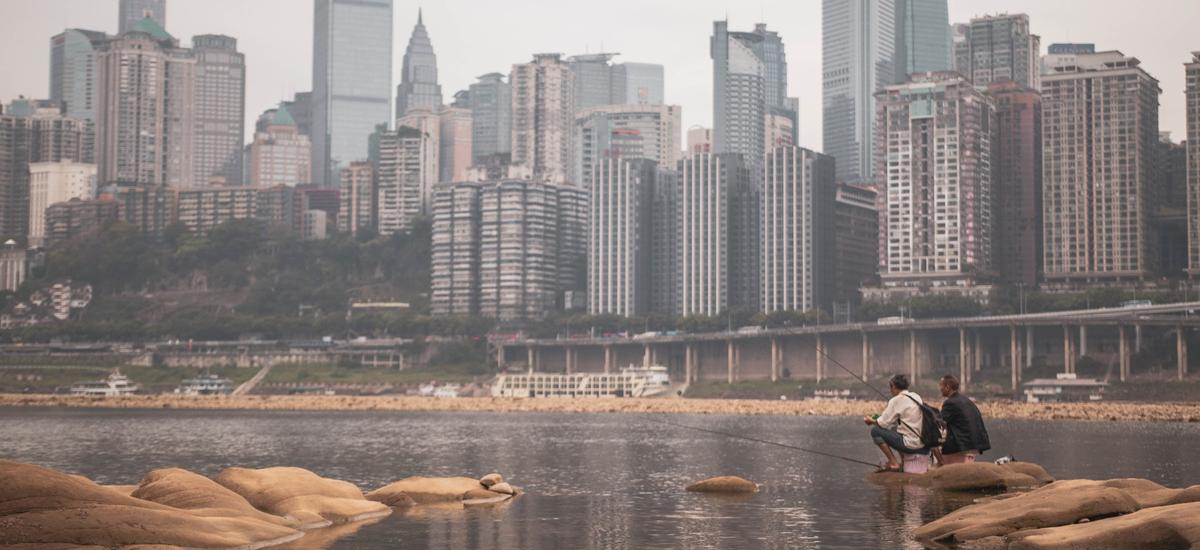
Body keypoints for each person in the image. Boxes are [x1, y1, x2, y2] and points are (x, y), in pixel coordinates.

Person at [864, 374, 926, 472]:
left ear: (893, 386)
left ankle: (893, 462)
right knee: (894, 429)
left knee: (875, 431)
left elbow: (882, 424)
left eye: (890, 387)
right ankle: (904, 462)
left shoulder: (895, 400)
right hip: (922, 444)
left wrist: (870, 420)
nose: (890, 390)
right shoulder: (916, 396)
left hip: (909, 445)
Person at [933, 375, 990, 465]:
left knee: (933, 445)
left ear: (947, 387)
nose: (940, 389)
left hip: (961, 446)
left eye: (941, 386)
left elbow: (939, 423)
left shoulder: (950, 403)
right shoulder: (967, 401)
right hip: (974, 445)